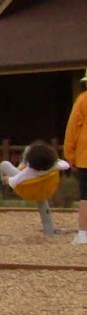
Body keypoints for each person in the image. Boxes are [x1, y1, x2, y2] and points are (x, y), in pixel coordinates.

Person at [67, 71, 87, 245]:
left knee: (85, 197)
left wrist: (71, 156)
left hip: (85, 157)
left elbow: (72, 130)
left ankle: (83, 234)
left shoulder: (82, 101)